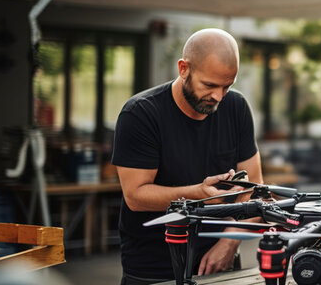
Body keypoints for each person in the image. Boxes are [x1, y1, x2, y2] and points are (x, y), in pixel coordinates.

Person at [112, 28, 263, 284]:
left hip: (221, 263)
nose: (218, 96)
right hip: (154, 267)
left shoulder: (236, 108)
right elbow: (136, 196)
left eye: (227, 86)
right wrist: (198, 195)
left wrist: (230, 242)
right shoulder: (140, 114)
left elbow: (256, 191)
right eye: (209, 85)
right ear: (184, 69)